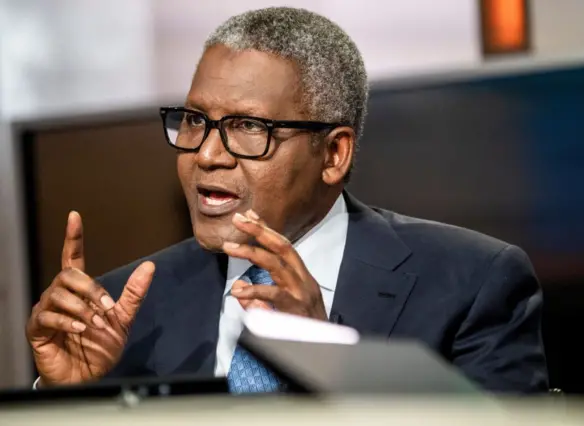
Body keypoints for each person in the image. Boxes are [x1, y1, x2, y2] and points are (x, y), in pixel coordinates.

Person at [26, 7, 547, 393]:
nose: (206, 154)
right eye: (195, 120)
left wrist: (326, 362)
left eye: (248, 127)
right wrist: (64, 399)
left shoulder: (472, 284)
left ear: (334, 154)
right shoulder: (118, 308)